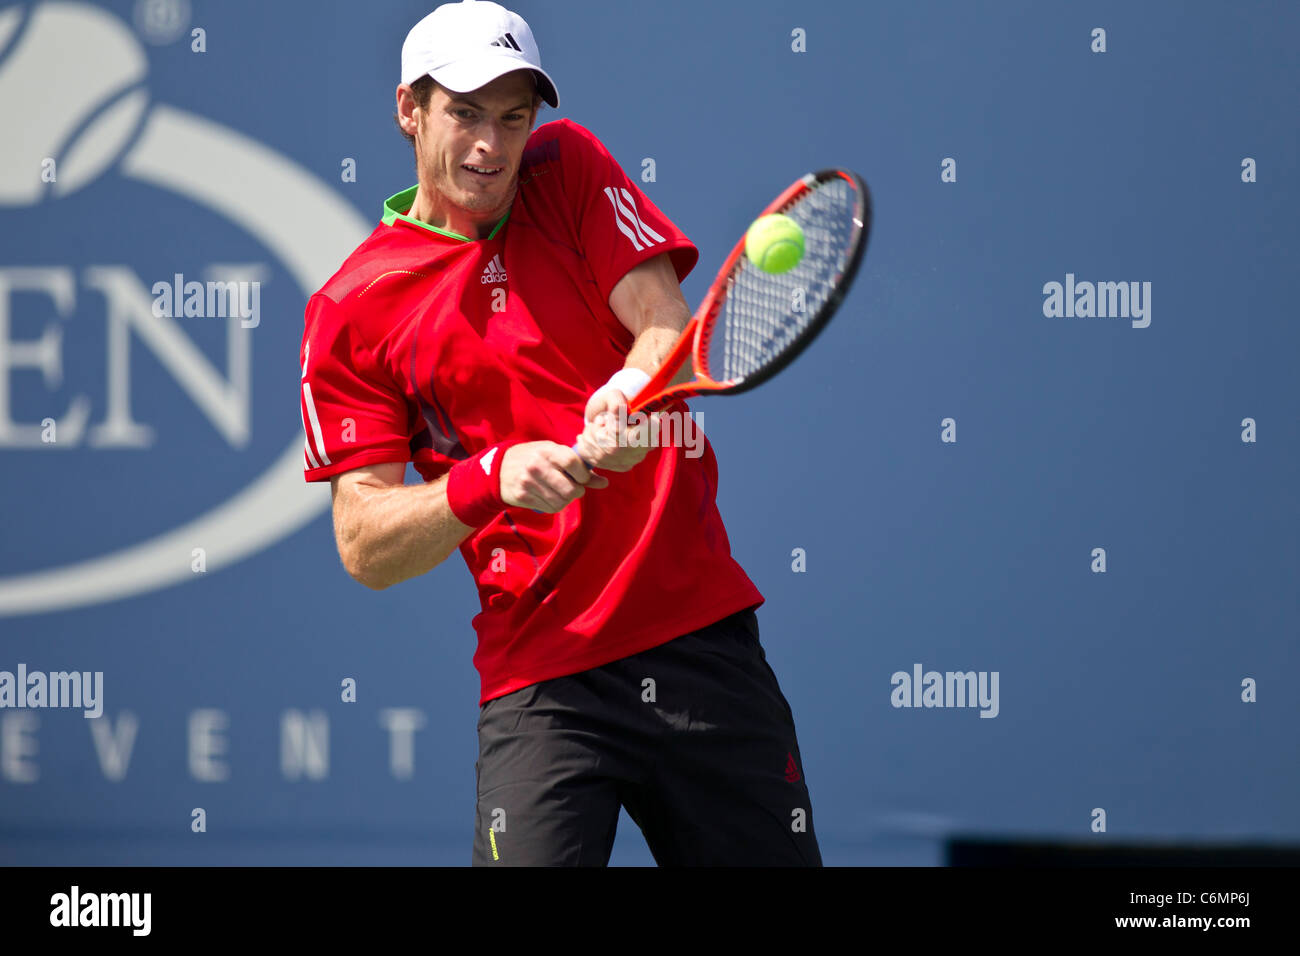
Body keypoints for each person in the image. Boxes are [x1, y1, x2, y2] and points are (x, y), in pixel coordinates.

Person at [299, 0, 821, 866]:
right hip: (542, 681)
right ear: (408, 110)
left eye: (513, 117)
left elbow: (661, 321)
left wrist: (628, 388)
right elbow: (364, 541)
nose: (491, 146)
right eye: (464, 112)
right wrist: (489, 479)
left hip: (700, 643)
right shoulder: (352, 312)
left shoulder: (569, 166)